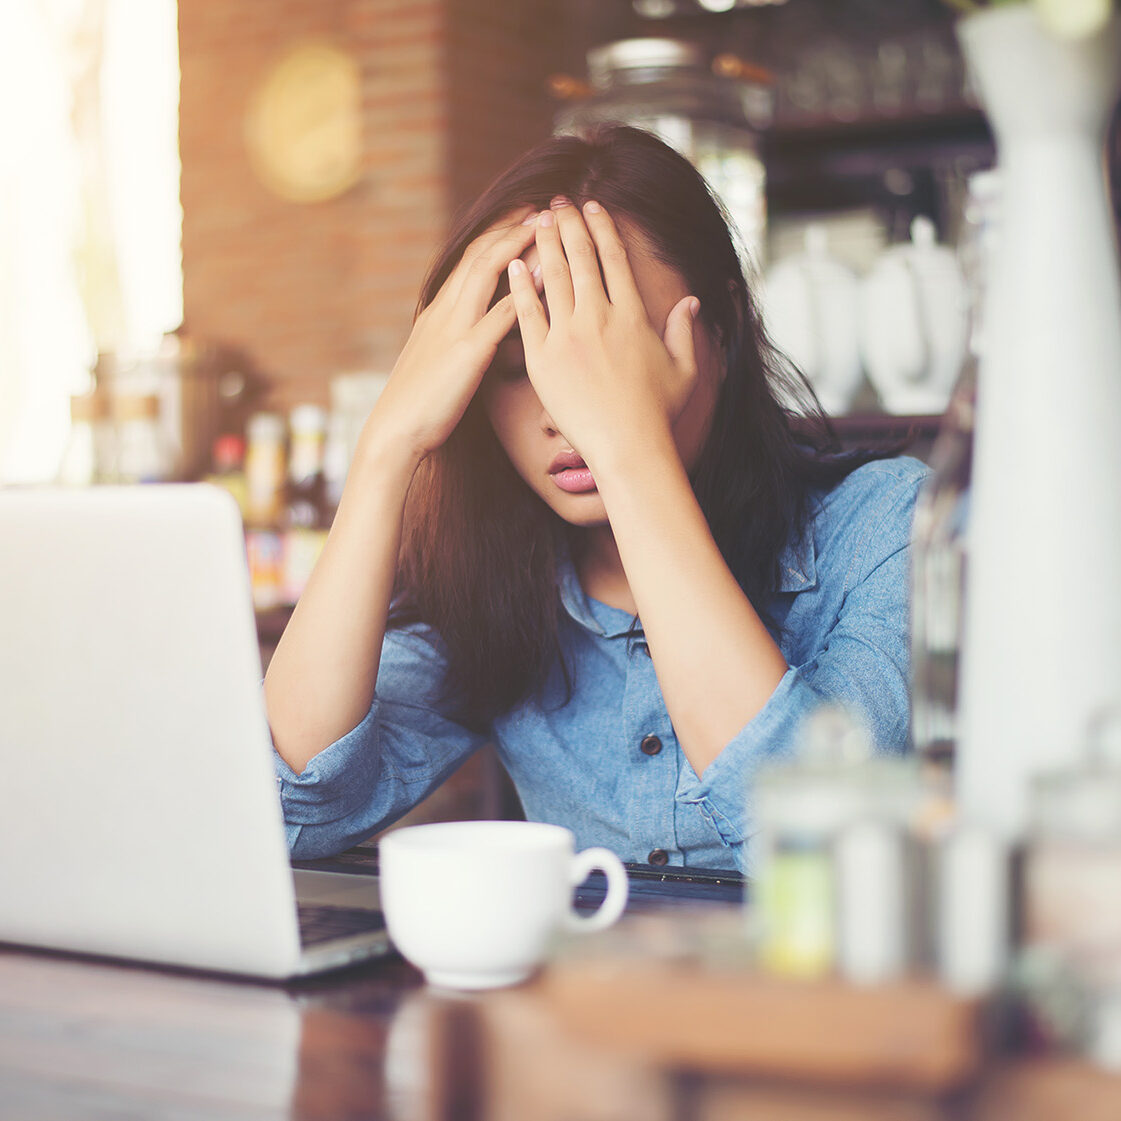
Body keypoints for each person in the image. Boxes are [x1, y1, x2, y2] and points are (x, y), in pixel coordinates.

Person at [266, 124, 928, 874]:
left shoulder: (887, 525)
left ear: (724, 331)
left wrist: (630, 454)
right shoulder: (499, 585)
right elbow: (289, 814)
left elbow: (829, 857)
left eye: (609, 354)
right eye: (516, 366)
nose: (563, 407)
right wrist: (385, 449)